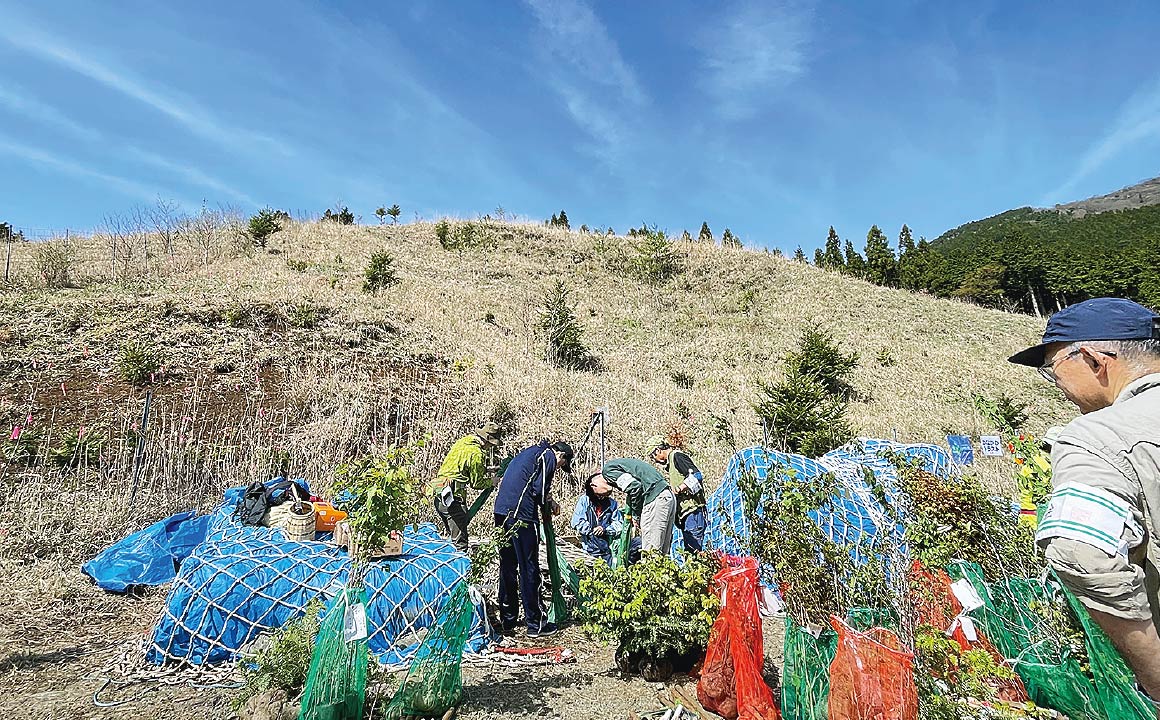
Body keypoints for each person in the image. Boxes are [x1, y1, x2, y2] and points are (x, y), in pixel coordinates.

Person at [1008, 297, 1160, 706]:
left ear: (1094, 359)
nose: (1057, 386)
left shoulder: (1096, 438)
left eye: (1053, 371)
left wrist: (1156, 680)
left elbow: (1082, 554)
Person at [493, 439, 573, 637]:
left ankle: (508, 619)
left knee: (508, 566)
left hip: (502, 512)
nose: (559, 467)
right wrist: (549, 504)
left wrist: (548, 499)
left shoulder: (527, 453)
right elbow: (540, 489)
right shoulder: (548, 456)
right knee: (529, 568)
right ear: (561, 456)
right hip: (522, 515)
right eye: (563, 464)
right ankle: (535, 623)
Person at [428, 421, 501, 553]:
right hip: (453, 499)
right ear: (488, 441)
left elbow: (461, 465)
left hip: (438, 493)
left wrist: (487, 469)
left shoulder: (462, 442)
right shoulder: (477, 454)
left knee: (453, 537)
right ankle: (459, 571)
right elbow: (476, 483)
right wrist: (492, 481)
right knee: (460, 544)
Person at [643, 435, 708, 552]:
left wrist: (678, 489)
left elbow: (697, 476)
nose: (655, 461)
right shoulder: (671, 464)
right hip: (685, 514)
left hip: (692, 512)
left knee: (694, 551)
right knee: (690, 550)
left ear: (658, 450)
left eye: (653, 457)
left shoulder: (677, 456)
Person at [601, 457, 676, 555]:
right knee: (663, 553)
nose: (603, 497)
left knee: (651, 552)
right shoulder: (622, 465)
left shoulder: (607, 471)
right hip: (668, 496)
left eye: (598, 494)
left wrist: (636, 515)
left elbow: (634, 487)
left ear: (593, 483)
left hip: (655, 498)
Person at [571, 473, 626, 565]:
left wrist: (604, 529)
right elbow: (576, 522)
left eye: (604, 496)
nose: (601, 498)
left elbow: (619, 524)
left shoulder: (612, 504)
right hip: (589, 548)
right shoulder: (584, 501)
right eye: (599, 495)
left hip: (607, 548)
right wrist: (592, 531)